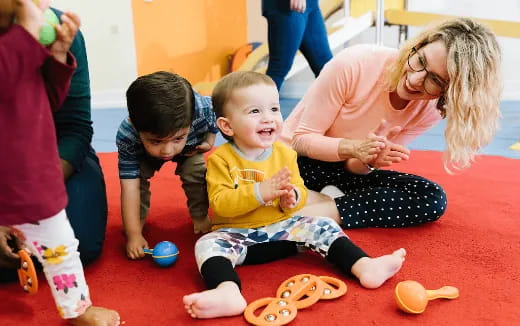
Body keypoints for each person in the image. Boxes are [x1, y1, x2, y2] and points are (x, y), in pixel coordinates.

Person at [182, 71, 406, 319]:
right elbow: (221, 205)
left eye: (274, 109)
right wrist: (260, 192)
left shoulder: (285, 154)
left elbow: (298, 191)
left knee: (322, 224)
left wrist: (293, 199)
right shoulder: (221, 160)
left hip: (284, 235)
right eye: (255, 112)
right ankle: (227, 291)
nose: (268, 118)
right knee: (207, 244)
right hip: (240, 238)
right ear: (227, 125)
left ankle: (364, 266)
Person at [280, 17, 502, 229]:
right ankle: (318, 202)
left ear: (450, 92)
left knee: (430, 197)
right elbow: (301, 141)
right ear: (416, 46)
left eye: (434, 80)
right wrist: (354, 148)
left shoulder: (432, 109)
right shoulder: (354, 63)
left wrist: (369, 161)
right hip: (294, 162)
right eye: (420, 61)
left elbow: (353, 169)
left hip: (339, 171)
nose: (415, 79)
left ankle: (317, 208)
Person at [0, 0, 120, 324]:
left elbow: (52, 100)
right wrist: (25, 34)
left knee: (64, 248)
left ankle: (77, 309)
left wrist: (56, 58)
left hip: (36, 178)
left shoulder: (30, 43)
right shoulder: (14, 49)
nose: (43, 6)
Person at [117, 71, 219, 259]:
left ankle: (200, 215)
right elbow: (130, 186)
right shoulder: (128, 135)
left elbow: (216, 114)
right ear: (135, 125)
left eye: (177, 138)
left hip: (191, 148)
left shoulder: (204, 109)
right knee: (138, 179)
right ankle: (137, 221)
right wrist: (133, 234)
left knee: (196, 174)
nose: (168, 151)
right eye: (156, 141)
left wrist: (210, 139)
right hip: (145, 156)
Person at [262, 0, 333, 90]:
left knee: (326, 69)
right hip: (286, 6)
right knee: (279, 68)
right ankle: (259, 103)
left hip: (311, 4)